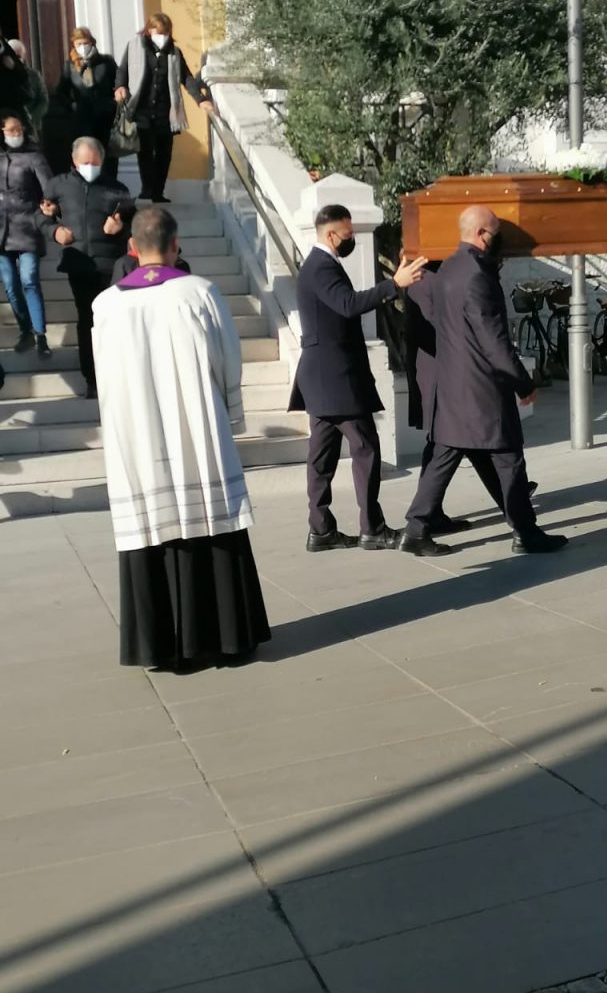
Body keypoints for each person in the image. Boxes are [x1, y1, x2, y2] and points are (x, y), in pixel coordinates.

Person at [92, 206, 270, 669]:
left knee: (151, 523)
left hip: (138, 432)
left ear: (132, 248)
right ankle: (227, 638)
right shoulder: (199, 292)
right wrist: (230, 415)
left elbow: (103, 375)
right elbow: (227, 358)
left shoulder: (105, 305)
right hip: (195, 425)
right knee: (209, 516)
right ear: (175, 245)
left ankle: (159, 646)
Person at [398, 205, 567, 557]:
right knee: (508, 458)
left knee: (444, 457)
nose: (499, 239)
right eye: (496, 233)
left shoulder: (449, 268)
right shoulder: (477, 275)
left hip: (453, 384)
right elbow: (494, 340)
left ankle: (415, 529)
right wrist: (523, 382)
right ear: (481, 234)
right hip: (481, 388)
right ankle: (526, 532)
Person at [289, 203, 427, 551]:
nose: (351, 239)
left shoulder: (319, 265)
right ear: (331, 234)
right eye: (348, 234)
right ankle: (372, 529)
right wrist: (393, 285)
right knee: (365, 449)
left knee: (322, 457)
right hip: (335, 379)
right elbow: (348, 304)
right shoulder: (321, 267)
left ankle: (321, 530)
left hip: (323, 378)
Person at [39, 136, 136, 398]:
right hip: (79, 263)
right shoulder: (58, 185)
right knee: (88, 319)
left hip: (111, 264)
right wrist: (54, 231)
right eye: (85, 163)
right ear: (74, 161)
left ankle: (116, 375)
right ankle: (92, 379)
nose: (90, 167)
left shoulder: (116, 188)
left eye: (95, 163)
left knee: (112, 320)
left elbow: (133, 219)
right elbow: (39, 214)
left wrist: (120, 227)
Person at [114, 12, 215, 203]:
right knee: (145, 152)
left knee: (164, 153)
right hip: (142, 109)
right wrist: (120, 86)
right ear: (149, 30)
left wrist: (200, 100)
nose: (162, 36)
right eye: (158, 32)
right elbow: (123, 70)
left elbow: (186, 78)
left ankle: (158, 192)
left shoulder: (174, 53)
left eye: (165, 33)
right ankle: (147, 190)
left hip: (166, 112)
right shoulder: (134, 47)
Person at [0, 111, 52, 357]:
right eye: (12, 130)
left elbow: (49, 189)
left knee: (29, 279)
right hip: (1, 232)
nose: (17, 133)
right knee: (10, 285)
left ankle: (40, 335)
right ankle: (25, 330)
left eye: (19, 129)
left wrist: (48, 210)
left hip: (28, 227)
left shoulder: (34, 157)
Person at [52, 27, 119, 181]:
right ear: (74, 45)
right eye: (79, 44)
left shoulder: (106, 62)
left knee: (107, 156)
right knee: (84, 153)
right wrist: (72, 106)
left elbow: (119, 83)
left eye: (85, 43)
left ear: (92, 43)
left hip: (105, 119)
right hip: (81, 120)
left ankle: (109, 184)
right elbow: (61, 92)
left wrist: (112, 103)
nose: (82, 47)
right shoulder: (70, 65)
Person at [7, 40, 48, 145]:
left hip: (32, 126)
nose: (15, 59)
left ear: (23, 56)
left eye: (18, 56)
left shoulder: (34, 75)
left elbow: (43, 100)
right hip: (8, 129)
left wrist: (32, 117)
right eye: (12, 55)